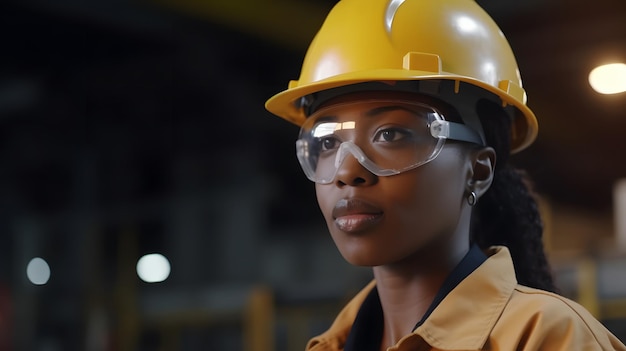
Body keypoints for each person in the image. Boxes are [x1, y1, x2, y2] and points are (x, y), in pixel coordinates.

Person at [265, 0, 626, 350]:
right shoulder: (332, 345)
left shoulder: (549, 338)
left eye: (391, 134)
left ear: (479, 171)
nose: (346, 171)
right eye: (328, 142)